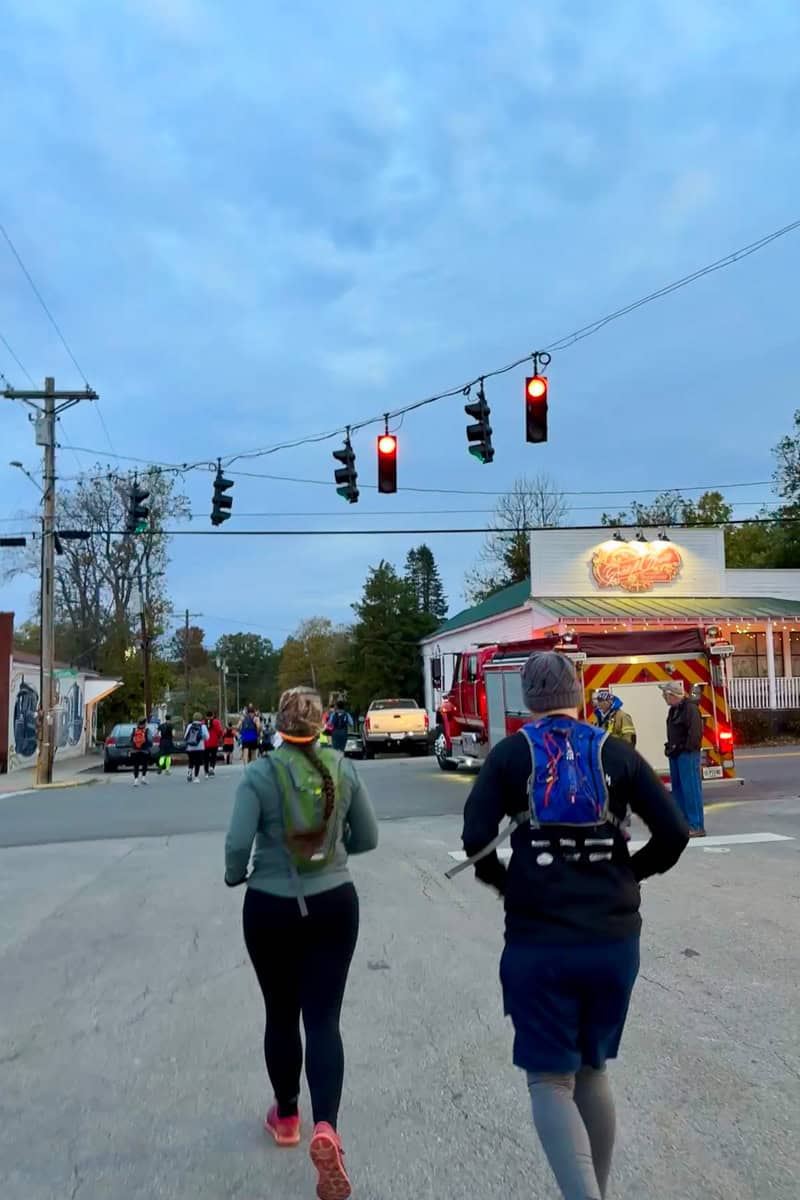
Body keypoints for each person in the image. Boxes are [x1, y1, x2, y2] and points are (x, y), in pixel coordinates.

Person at [456, 651, 688, 1200]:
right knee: (592, 1070)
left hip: (540, 939)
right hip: (612, 938)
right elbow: (674, 831)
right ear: (580, 691)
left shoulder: (511, 755)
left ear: (528, 699)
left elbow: (474, 836)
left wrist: (505, 882)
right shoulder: (617, 753)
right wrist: (629, 873)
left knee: (549, 1078)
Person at [225, 686, 378, 1200]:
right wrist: (339, 849)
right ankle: (327, 1126)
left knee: (280, 1013)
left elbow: (236, 844)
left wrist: (234, 875)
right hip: (335, 901)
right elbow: (369, 837)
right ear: (323, 723)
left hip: (270, 905)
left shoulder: (260, 773)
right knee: (324, 1018)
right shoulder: (343, 767)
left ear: (278, 722)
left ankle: (287, 1116)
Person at [660, 680, 706, 838]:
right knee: (678, 790)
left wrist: (685, 748)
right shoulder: (674, 710)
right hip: (676, 754)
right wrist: (671, 747)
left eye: (665, 694)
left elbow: (695, 733)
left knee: (691, 790)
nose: (663, 697)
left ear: (672, 695)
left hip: (687, 755)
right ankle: (684, 824)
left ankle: (696, 825)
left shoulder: (690, 709)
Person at [184, 712, 209, 782]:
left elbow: (185, 736)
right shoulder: (203, 726)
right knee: (197, 762)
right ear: (201, 718)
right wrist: (202, 738)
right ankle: (196, 777)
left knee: (191, 761)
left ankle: (189, 772)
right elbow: (207, 737)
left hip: (190, 747)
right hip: (199, 747)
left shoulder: (189, 726)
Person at [130, 718, 151, 786]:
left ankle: (136, 780)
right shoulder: (146, 730)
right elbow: (150, 740)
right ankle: (143, 778)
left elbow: (131, 740)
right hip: (144, 751)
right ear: (144, 723)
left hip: (135, 750)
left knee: (136, 765)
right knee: (144, 764)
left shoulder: (134, 730)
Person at [205, 710, 224, 777]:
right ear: (212, 715)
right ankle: (211, 768)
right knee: (213, 756)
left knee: (206, 757)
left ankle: (206, 771)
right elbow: (220, 731)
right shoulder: (216, 722)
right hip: (214, 742)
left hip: (205, 743)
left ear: (206, 716)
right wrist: (219, 738)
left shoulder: (203, 722)